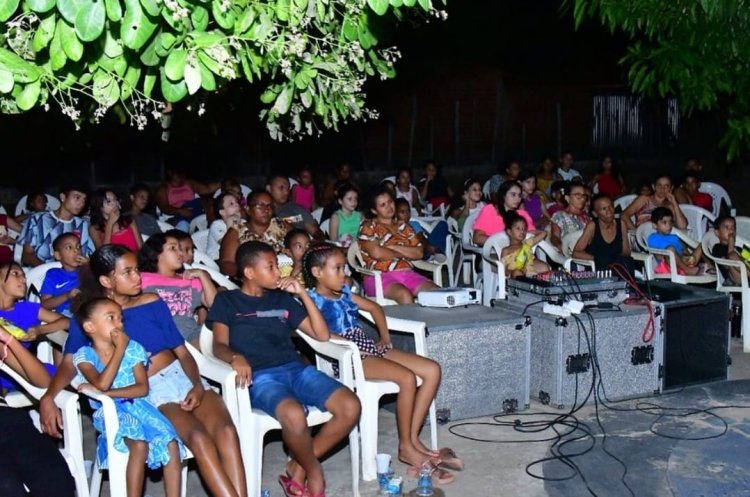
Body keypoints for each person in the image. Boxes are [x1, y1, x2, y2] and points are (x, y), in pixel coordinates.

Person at [38, 245, 247, 497]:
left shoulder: (151, 302)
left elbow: (182, 351)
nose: (138, 277)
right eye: (127, 272)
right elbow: (70, 363)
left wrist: (197, 384)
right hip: (151, 391)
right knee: (199, 439)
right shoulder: (92, 317)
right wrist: (49, 396)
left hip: (182, 376)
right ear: (107, 280)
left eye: (137, 269)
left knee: (226, 431)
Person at [208, 241, 361, 497]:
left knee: (350, 406)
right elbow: (218, 346)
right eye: (271, 267)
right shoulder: (228, 301)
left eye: (278, 266)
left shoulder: (282, 299)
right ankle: (313, 472)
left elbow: (322, 335)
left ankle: (296, 466)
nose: (279, 272)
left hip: (297, 370)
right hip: (261, 376)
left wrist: (301, 293)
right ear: (249, 272)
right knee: (293, 414)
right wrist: (235, 357)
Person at [303, 244, 461, 484]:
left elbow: (375, 308)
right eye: (337, 268)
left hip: (367, 346)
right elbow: (318, 333)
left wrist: (384, 337)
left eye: (344, 267)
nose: (344, 273)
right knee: (406, 377)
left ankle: (412, 438)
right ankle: (406, 447)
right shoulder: (311, 300)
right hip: (346, 356)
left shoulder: (344, 292)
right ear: (317, 272)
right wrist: (346, 343)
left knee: (432, 369)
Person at [73, 298, 184, 497]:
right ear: (90, 326)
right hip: (111, 413)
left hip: (142, 407)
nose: (119, 323)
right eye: (111, 318)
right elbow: (103, 382)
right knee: (139, 445)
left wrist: (107, 392)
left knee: (171, 444)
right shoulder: (85, 356)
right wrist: (119, 351)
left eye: (120, 318)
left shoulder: (133, 349)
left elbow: (141, 389)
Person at [0, 324, 76, 497]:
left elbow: (43, 382)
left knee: (54, 476)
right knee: (7, 486)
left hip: (7, 419)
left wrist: (8, 339)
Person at [358, 188, 440, 304]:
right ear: (374, 210)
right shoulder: (368, 226)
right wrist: (405, 253)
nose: (389, 207)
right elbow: (377, 253)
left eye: (390, 202)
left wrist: (392, 247)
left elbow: (419, 253)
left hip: (407, 274)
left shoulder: (404, 227)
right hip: (378, 276)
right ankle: (412, 323)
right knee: (404, 294)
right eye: (383, 205)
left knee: (438, 293)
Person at [138, 233, 217, 344]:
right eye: (173, 248)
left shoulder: (189, 280)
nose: (180, 253)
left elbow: (214, 304)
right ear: (156, 253)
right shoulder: (142, 280)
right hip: (160, 339)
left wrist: (202, 275)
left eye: (180, 249)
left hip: (191, 337)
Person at [20, 185, 95, 267]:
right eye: (77, 198)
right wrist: (48, 270)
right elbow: (27, 255)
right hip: (41, 273)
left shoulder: (81, 225)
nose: (81, 204)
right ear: (63, 197)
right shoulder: (38, 220)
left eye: (84, 200)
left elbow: (86, 254)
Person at [219, 191, 289, 276]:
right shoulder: (236, 231)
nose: (266, 210)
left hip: (284, 276)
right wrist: (251, 274)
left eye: (269, 206)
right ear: (248, 209)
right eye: (259, 206)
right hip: (249, 281)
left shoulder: (282, 226)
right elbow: (226, 264)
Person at [0, 261, 69, 344]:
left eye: (24, 276)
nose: (23, 279)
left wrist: (40, 330)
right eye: (15, 273)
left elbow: (68, 322)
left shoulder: (27, 309)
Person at [572, 194, 635, 274]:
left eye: (611, 207)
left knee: (628, 262)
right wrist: (597, 258)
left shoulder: (621, 224)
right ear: (595, 214)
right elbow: (576, 253)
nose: (609, 211)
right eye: (604, 209)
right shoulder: (593, 226)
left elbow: (626, 252)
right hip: (598, 270)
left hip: (617, 266)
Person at [154, 168, 220, 232]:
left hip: (194, 210)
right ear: (170, 173)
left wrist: (223, 184)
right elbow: (164, 207)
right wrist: (179, 211)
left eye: (181, 172)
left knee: (207, 204)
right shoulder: (163, 189)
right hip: (176, 213)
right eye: (176, 173)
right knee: (183, 224)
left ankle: (212, 231)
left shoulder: (190, 183)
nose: (179, 175)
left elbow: (208, 189)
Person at [472, 181, 536, 246]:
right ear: (503, 195)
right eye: (513, 194)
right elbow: (477, 238)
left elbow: (531, 235)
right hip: (493, 252)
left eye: (519, 195)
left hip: (519, 253)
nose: (518, 199)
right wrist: (501, 244)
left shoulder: (522, 215)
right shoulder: (490, 210)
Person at [40, 233, 87, 317]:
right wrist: (67, 296)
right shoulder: (53, 274)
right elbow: (44, 304)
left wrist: (89, 266)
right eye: (69, 247)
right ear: (58, 255)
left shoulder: (87, 270)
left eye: (78, 247)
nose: (76, 251)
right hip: (64, 316)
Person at [621, 174, 688, 231]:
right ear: (654, 187)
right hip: (644, 239)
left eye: (666, 186)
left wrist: (675, 203)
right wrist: (636, 232)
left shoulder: (670, 206)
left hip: (664, 240)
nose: (662, 189)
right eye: (659, 185)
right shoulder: (644, 199)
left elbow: (683, 226)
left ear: (671, 188)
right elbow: (624, 215)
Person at [647, 207, 702, 276]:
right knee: (670, 249)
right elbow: (658, 257)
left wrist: (686, 257)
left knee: (702, 246)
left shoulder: (675, 237)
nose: (668, 226)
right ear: (655, 225)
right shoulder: (653, 238)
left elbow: (685, 252)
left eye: (670, 222)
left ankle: (709, 267)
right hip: (668, 266)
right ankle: (687, 270)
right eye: (664, 222)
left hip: (683, 262)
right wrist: (676, 256)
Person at [267, 175, 324, 240]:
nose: (286, 192)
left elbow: (316, 232)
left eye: (288, 188)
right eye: (281, 188)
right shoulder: (261, 211)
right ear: (269, 188)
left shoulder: (296, 210)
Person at [500, 211, 549, 278]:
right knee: (517, 273)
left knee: (544, 267)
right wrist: (514, 271)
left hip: (529, 271)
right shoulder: (506, 250)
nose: (522, 231)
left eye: (524, 229)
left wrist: (528, 232)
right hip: (515, 275)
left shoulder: (527, 243)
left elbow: (543, 233)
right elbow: (503, 269)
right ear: (509, 231)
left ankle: (539, 286)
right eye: (518, 228)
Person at [550, 181, 590, 249]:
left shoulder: (586, 217)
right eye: (578, 195)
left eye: (584, 195)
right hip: (569, 250)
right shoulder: (559, 216)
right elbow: (555, 237)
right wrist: (561, 247)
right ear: (567, 198)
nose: (582, 198)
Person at [207, 192, 244, 261]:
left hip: (236, 257)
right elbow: (227, 245)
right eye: (231, 204)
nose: (237, 205)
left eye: (236, 202)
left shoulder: (242, 222)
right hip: (216, 260)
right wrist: (231, 223)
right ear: (222, 212)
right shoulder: (216, 225)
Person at [710, 215, 745, 284]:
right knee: (732, 256)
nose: (731, 230)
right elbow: (727, 265)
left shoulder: (738, 248)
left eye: (733, 227)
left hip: (746, 276)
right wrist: (731, 246)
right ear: (717, 232)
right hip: (733, 280)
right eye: (727, 227)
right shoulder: (718, 248)